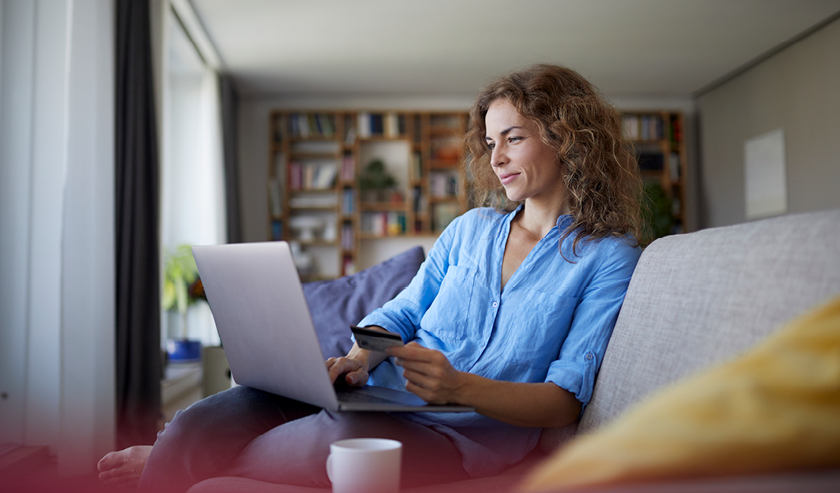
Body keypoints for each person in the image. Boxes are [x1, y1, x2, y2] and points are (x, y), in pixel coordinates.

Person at [98, 63, 645, 492]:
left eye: (514, 138)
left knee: (331, 442)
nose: (495, 157)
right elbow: (402, 313)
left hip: (460, 439)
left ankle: (169, 464)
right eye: (490, 140)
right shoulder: (470, 230)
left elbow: (564, 400)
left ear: (566, 138)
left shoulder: (607, 257)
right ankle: (181, 453)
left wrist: (460, 388)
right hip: (378, 396)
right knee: (201, 419)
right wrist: (361, 358)